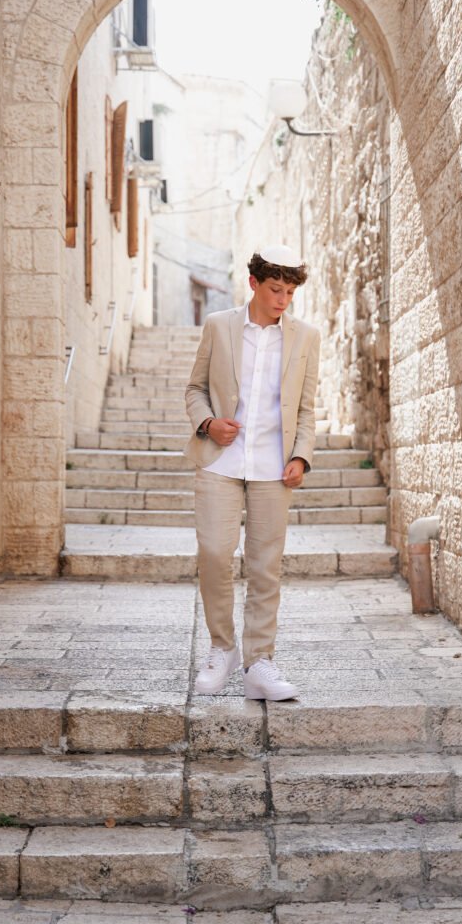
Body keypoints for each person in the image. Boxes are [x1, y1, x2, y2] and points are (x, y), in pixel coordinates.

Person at [185, 245, 320, 701]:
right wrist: (208, 423)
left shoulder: (306, 337)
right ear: (254, 285)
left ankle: (259, 662)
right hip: (220, 461)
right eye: (275, 290)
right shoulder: (219, 326)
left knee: (266, 567)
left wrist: (301, 455)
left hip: (273, 468)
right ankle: (221, 648)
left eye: (290, 292)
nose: (282, 300)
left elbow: (306, 407)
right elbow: (194, 389)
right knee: (216, 554)